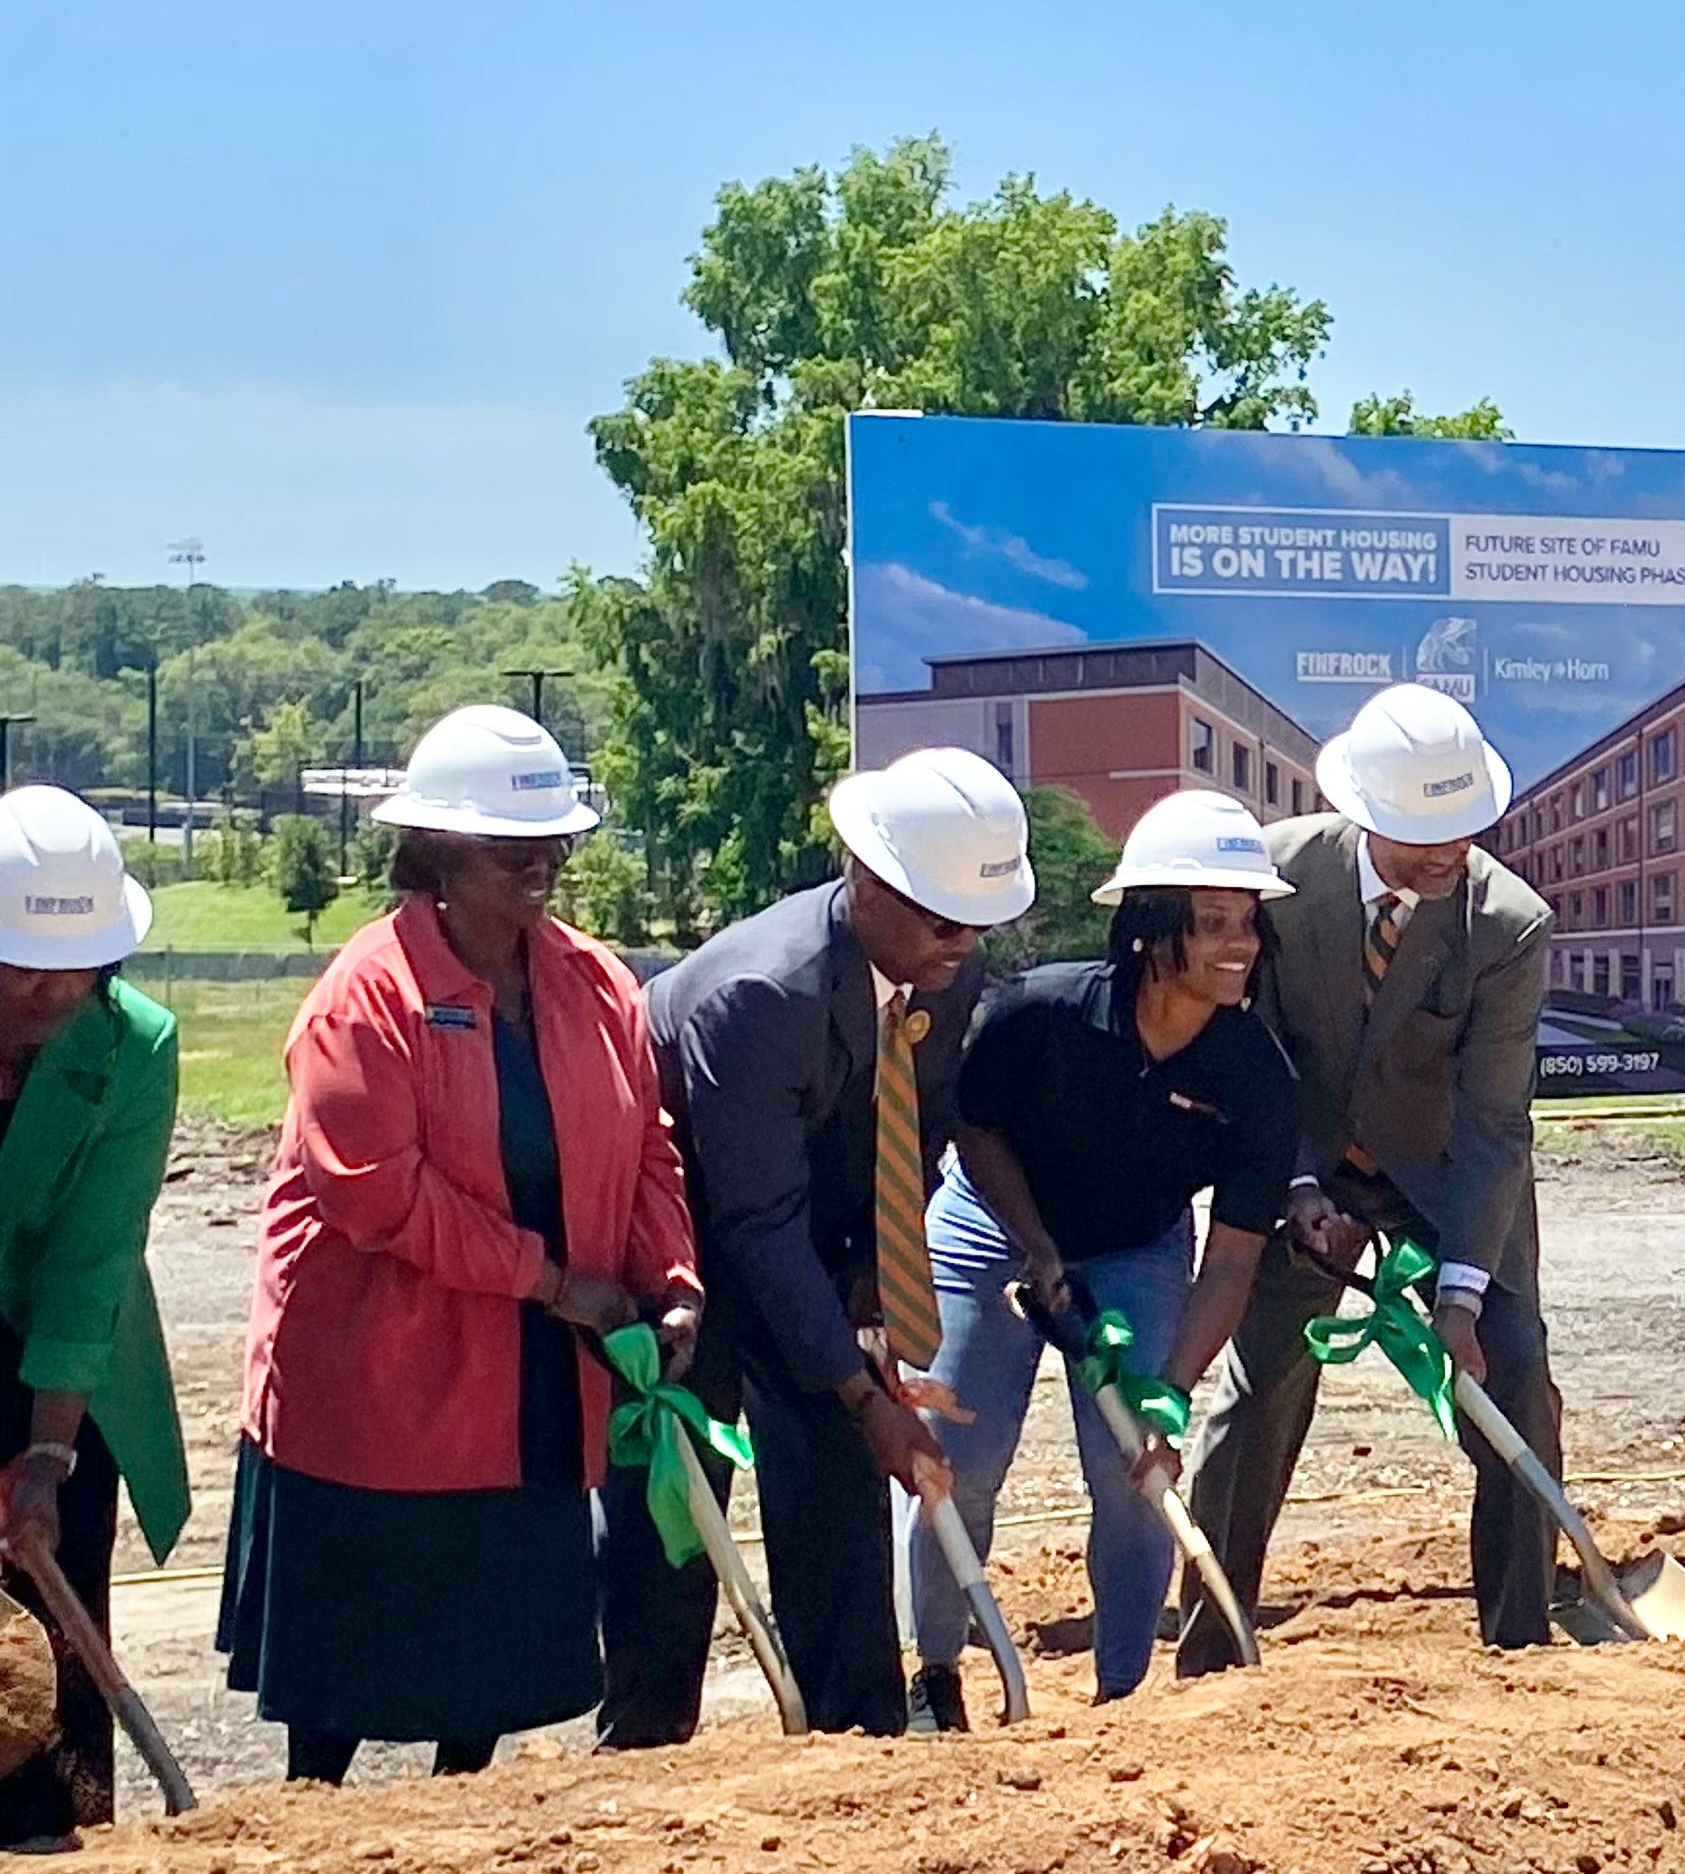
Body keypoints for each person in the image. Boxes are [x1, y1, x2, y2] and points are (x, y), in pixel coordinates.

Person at [227, 708, 698, 1785]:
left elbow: (646, 1146)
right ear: (436, 851)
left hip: (530, 1372)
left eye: (552, 845)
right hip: (374, 1372)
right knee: (356, 1646)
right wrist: (549, 1281)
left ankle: (461, 1814)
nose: (539, 867)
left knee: (497, 1642)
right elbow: (378, 1195)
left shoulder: (595, 984)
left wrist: (668, 1277)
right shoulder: (367, 994)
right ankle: (318, 1818)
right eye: (508, 848)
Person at [613, 746, 1033, 1743]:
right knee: (678, 1501)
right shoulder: (760, 997)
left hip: (806, 1226)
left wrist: (871, 1276)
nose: (961, 943)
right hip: (685, 1241)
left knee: (837, 1485)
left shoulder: (947, 970)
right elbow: (753, 1224)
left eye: (977, 923)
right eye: (940, 918)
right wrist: (861, 1394)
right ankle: (641, 1743)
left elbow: (916, 1127)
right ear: (868, 881)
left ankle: (857, 1738)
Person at [1175, 685, 1559, 1657]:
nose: (1443, 854)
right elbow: (1249, 1049)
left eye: (1461, 831)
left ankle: (1522, 1640)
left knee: (1514, 1374)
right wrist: (1299, 1189)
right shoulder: (1273, 878)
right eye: (1416, 833)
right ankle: (1214, 1646)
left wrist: (1463, 1297)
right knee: (1261, 1388)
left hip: (1444, 1176)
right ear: (1359, 813)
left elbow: (1493, 1121)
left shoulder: (1508, 924)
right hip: (1299, 1155)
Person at [905, 791, 1295, 1721]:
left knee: (1133, 1467)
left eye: (1246, 922)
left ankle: (1122, 1693)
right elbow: (977, 1131)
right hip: (991, 1228)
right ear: (1148, 929)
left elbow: (1233, 1260)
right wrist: (1035, 1252)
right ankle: (937, 1675)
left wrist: (1171, 1390)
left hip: (1136, 1246)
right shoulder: (1042, 1011)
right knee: (961, 1456)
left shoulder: (1257, 1077)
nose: (1237, 943)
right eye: (1209, 924)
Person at [0, 790, 183, 1838]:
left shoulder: (131, 1047)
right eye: (27, 962)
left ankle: (65, 1850)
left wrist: (44, 1458)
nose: (56, 987)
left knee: (54, 1617)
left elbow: (90, 1258)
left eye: (80, 964)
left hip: (62, 1364)